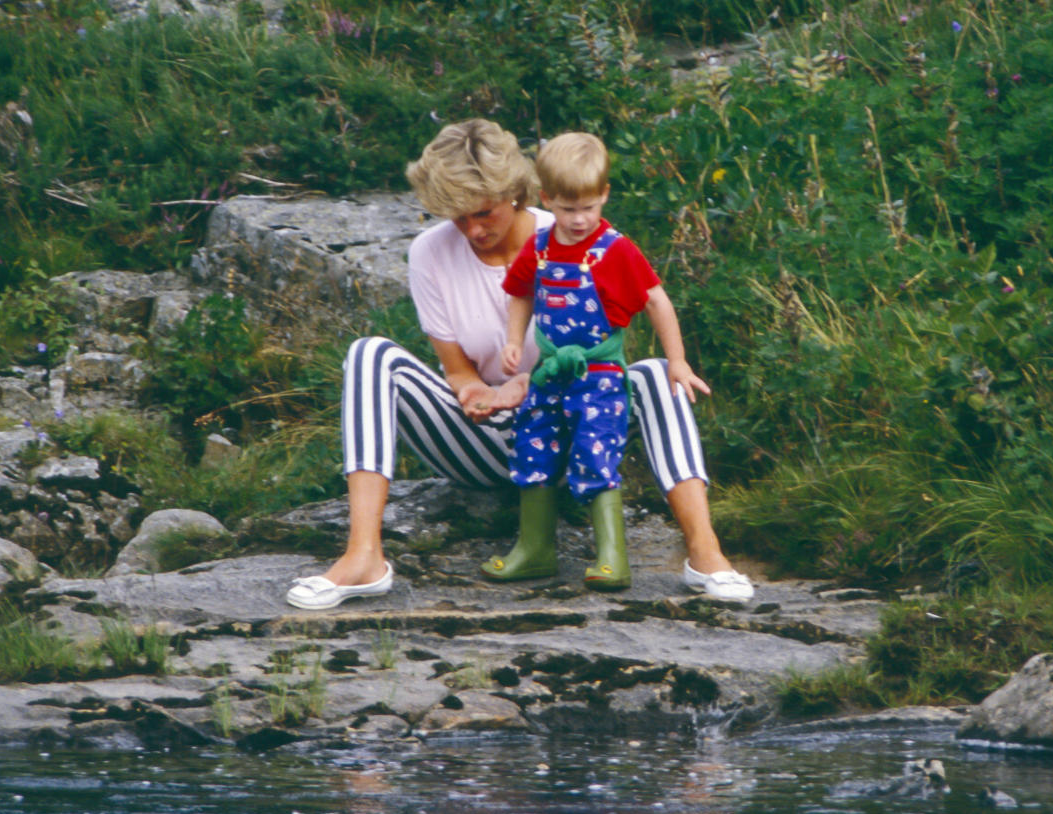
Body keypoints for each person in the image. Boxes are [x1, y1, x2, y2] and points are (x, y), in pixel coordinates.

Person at [285, 119, 753, 610]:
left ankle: (705, 553)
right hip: (485, 442)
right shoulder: (429, 252)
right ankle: (364, 557)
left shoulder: (575, 230)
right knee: (370, 354)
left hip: (575, 431)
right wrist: (474, 393)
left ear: (518, 193)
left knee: (657, 374)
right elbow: (457, 369)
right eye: (457, 218)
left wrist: (529, 382)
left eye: (483, 213)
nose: (473, 230)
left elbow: (606, 353)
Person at [485, 131, 703, 592]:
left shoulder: (616, 249)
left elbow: (657, 301)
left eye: (588, 206)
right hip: (549, 373)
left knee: (595, 452)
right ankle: (536, 550)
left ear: (604, 195)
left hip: (598, 374)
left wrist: (676, 361)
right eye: (567, 208)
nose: (579, 219)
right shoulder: (540, 247)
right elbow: (522, 293)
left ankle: (613, 557)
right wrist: (512, 340)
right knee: (533, 444)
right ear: (547, 200)